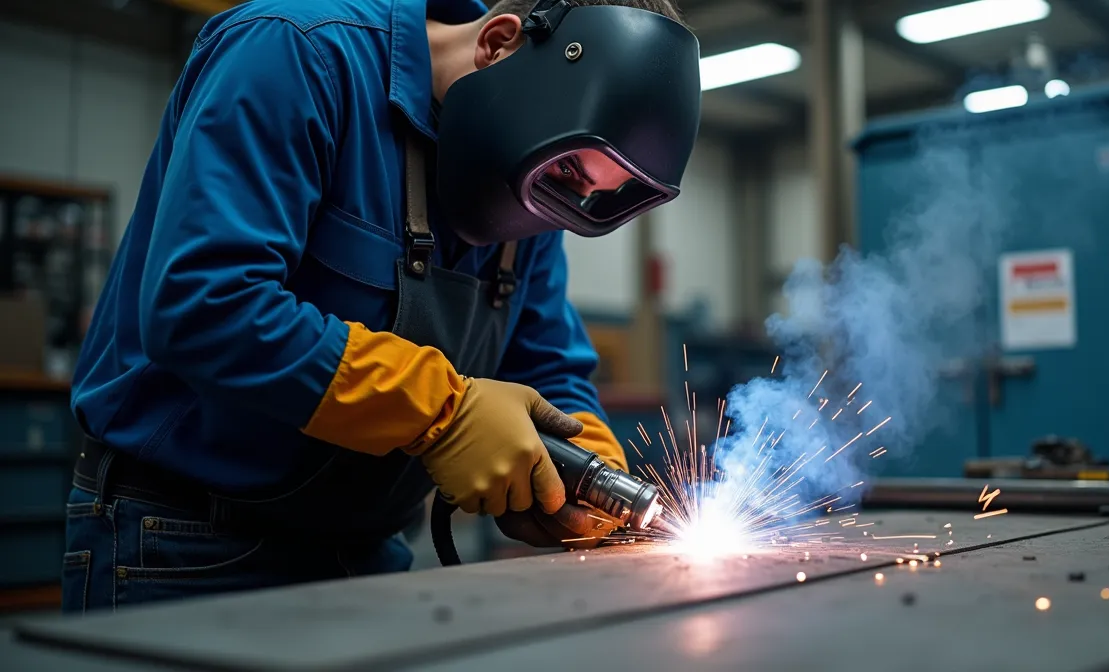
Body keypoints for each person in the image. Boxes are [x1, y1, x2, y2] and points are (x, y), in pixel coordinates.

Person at [62, 0, 700, 613]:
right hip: (186, 541)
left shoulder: (541, 178)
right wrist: (441, 411)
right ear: (498, 43)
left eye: (595, 194)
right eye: (568, 173)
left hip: (367, 548)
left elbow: (546, 364)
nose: (567, 203)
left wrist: (587, 474)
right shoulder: (298, 51)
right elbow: (207, 304)